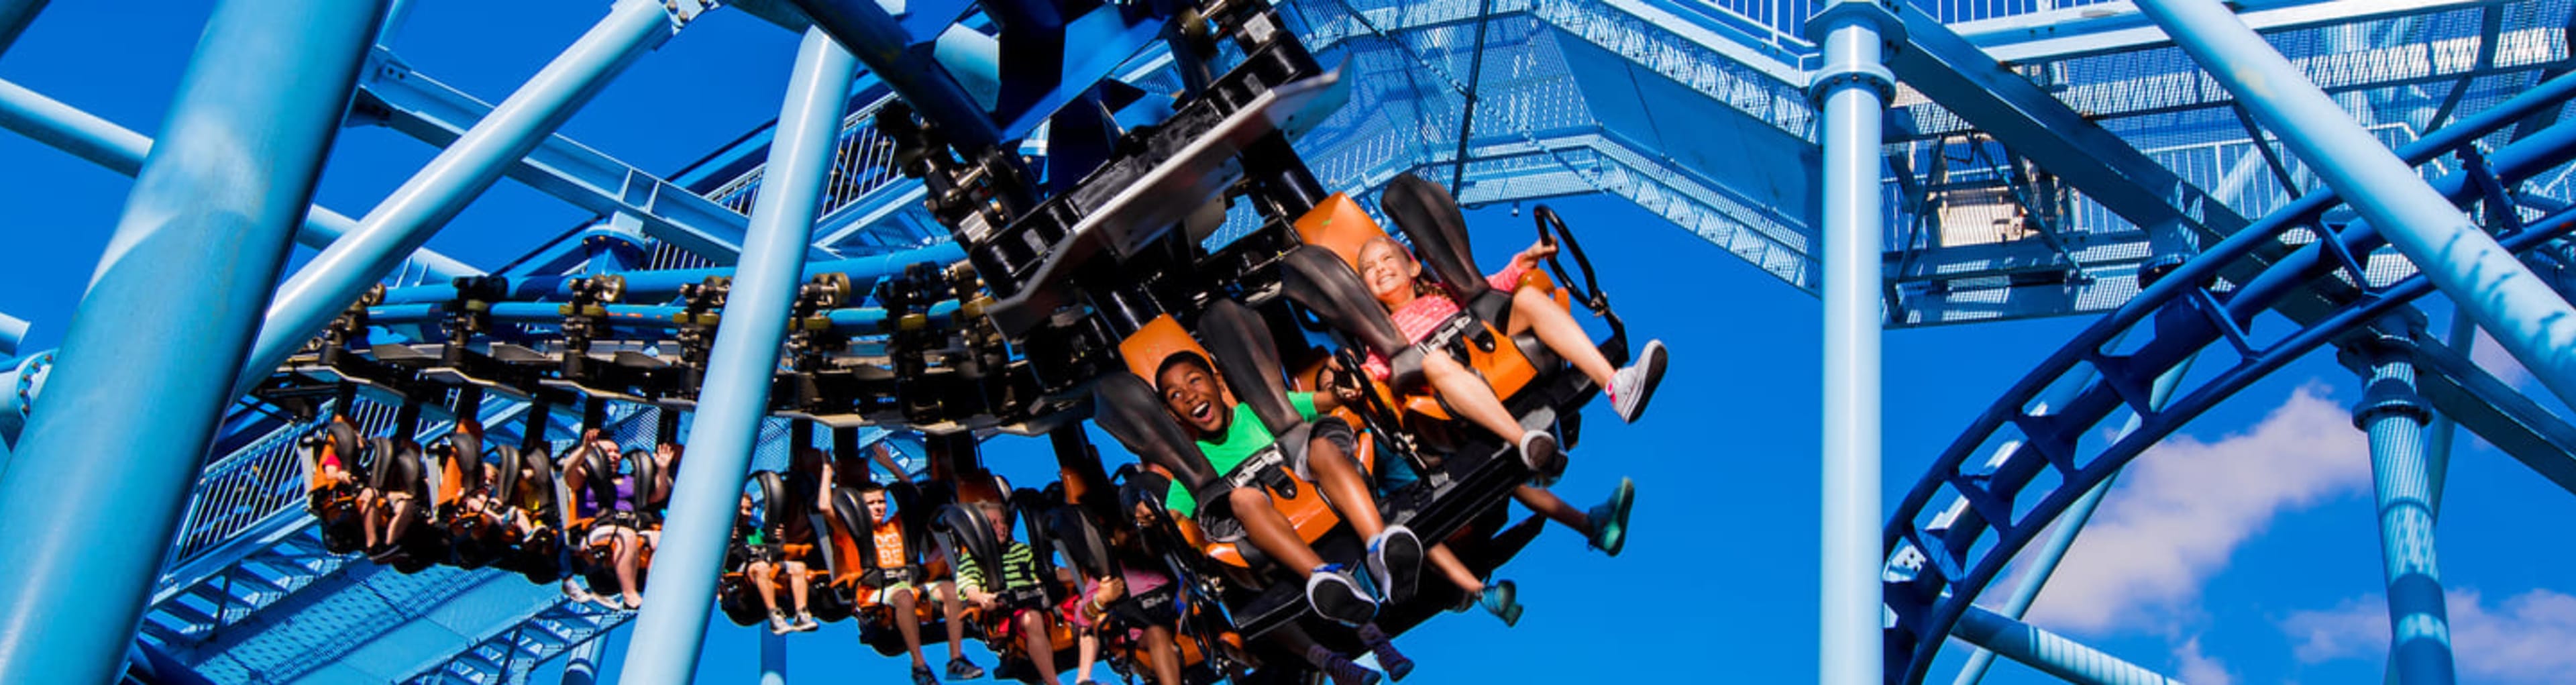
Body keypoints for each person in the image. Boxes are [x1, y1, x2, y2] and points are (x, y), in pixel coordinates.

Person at [1352, 234, 1649, 556]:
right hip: (1451, 406)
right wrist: (1355, 381)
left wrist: (1529, 256)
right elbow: (1372, 372)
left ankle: (1617, 384)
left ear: (1413, 266)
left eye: (1386, 259)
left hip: (1493, 359)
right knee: (1436, 362)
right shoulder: (1382, 338)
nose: (1380, 269)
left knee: (1528, 299)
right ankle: (1525, 443)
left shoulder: (1446, 294)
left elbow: (1493, 287)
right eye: (1369, 268)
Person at [1153, 351, 1422, 628]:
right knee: (1242, 498)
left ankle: (1379, 547)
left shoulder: (1260, 409)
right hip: (1268, 526)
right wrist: (1150, 516)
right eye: (1175, 395)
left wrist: (1342, 391)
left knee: (1321, 446)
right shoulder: (1194, 463)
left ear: (1218, 382)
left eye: (1195, 381)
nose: (1189, 396)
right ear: (1173, 415)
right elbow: (1172, 519)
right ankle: (1323, 578)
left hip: (1315, 490)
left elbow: (1326, 401)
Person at [849, 482, 977, 685]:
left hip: (908, 583)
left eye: (881, 502)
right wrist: (828, 473)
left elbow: (916, 498)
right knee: (904, 597)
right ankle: (919, 667)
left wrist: (892, 468)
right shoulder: (853, 533)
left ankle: (956, 660)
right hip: (875, 592)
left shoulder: (894, 525)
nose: (878, 507)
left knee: (951, 591)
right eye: (871, 503)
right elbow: (825, 509)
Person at [955, 498, 1059, 685]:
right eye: (994, 523)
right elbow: (969, 587)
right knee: (1031, 618)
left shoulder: (1021, 551)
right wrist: (982, 597)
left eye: (1003, 522)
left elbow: (1047, 572)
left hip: (1035, 602)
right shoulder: (973, 559)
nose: (1001, 527)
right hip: (1004, 615)